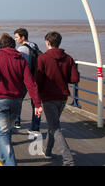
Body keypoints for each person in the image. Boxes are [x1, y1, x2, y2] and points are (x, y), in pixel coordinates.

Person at [0, 33, 42, 166]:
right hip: (16, 100)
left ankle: (10, 162)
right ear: (13, 45)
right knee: (7, 130)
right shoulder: (20, 59)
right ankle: (2, 156)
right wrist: (37, 104)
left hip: (0, 99)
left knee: (2, 133)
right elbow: (30, 83)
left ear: (0, 45)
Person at [35, 31, 79, 166]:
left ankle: (68, 159)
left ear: (47, 42)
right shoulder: (68, 58)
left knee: (55, 128)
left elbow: (38, 80)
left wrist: (36, 98)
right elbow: (74, 79)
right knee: (53, 124)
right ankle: (47, 150)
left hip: (48, 97)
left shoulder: (42, 58)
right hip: (63, 97)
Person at [13, 28, 41, 133]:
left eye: (17, 37)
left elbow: (19, 66)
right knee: (35, 102)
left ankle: (17, 121)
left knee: (18, 99)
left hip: (25, 79)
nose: (15, 39)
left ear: (23, 37)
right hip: (35, 77)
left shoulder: (21, 50)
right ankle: (35, 126)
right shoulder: (34, 46)